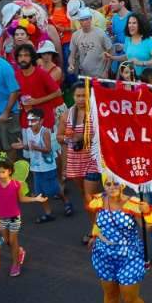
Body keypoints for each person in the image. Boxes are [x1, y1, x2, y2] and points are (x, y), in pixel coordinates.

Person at [88, 175, 152, 303]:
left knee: (130, 299)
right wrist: (94, 236)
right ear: (104, 186)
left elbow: (147, 229)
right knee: (110, 295)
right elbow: (97, 222)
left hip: (129, 257)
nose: (112, 187)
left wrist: (147, 213)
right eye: (108, 184)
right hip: (103, 256)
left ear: (123, 185)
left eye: (116, 184)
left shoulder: (133, 203)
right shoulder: (98, 200)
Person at [57, 82, 102, 245]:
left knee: (90, 197)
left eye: (85, 95)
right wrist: (69, 138)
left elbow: (103, 136)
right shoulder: (67, 115)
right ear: (73, 96)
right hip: (75, 160)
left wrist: (82, 138)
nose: (81, 99)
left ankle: (98, 232)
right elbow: (59, 137)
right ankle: (96, 228)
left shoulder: (96, 113)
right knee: (86, 198)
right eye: (78, 95)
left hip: (93, 159)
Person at [0, 156, 47, 277]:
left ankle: (15, 264)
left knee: (13, 240)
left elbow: (21, 199)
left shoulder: (16, 185)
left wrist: (35, 199)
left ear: (9, 171)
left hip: (15, 217)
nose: (0, 175)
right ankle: (19, 251)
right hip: (2, 218)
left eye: (2, 172)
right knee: (7, 241)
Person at [14, 43, 62, 132]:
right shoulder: (17, 75)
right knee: (27, 145)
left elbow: (58, 92)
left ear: (32, 57)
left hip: (44, 119)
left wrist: (37, 101)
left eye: (26, 55)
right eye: (20, 56)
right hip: (26, 119)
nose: (23, 59)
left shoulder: (41, 74)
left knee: (45, 145)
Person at [67, 8, 113, 78]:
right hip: (83, 75)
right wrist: (71, 65)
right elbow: (72, 55)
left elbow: (110, 52)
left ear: (91, 19)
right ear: (79, 21)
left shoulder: (100, 33)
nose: (85, 22)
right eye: (82, 20)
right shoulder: (75, 35)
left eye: (87, 19)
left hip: (99, 75)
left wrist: (106, 71)